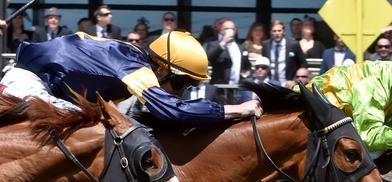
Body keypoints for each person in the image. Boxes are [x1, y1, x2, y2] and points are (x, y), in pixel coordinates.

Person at [0, 31, 262, 125]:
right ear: (162, 69)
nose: (183, 92)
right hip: (27, 86)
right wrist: (237, 109)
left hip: (40, 86)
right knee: (92, 136)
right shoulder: (135, 68)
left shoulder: (133, 59)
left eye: (192, 86)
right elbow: (174, 111)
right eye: (183, 83)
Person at [205, 19, 250, 86]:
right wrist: (223, 42)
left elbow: (247, 65)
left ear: (235, 31)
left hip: (237, 86)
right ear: (221, 31)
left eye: (232, 29)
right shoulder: (214, 44)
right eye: (226, 29)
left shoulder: (241, 47)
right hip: (219, 86)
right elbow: (209, 58)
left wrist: (246, 73)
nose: (230, 31)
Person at [262, 20, 307, 87]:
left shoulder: (293, 44)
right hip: (270, 83)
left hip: (288, 84)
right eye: (274, 31)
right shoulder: (266, 45)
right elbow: (263, 63)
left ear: (284, 31)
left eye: (279, 30)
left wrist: (294, 80)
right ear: (271, 32)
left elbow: (303, 64)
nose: (277, 33)